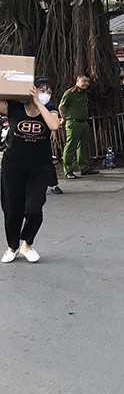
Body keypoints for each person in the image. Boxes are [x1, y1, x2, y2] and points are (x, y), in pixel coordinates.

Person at [1, 78, 62, 263]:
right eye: (41, 89)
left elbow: (54, 125)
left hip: (40, 167)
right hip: (14, 166)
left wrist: (37, 102)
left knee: (34, 208)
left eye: (48, 91)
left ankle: (27, 243)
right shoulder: (14, 107)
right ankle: (12, 246)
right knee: (12, 209)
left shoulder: (49, 111)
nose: (44, 93)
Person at [59, 73, 98, 179]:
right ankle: (68, 170)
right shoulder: (71, 93)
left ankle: (84, 168)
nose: (86, 83)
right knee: (70, 146)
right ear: (77, 81)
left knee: (83, 146)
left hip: (83, 122)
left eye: (88, 82)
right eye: (84, 81)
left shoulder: (83, 94)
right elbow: (61, 106)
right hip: (73, 122)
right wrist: (63, 118)